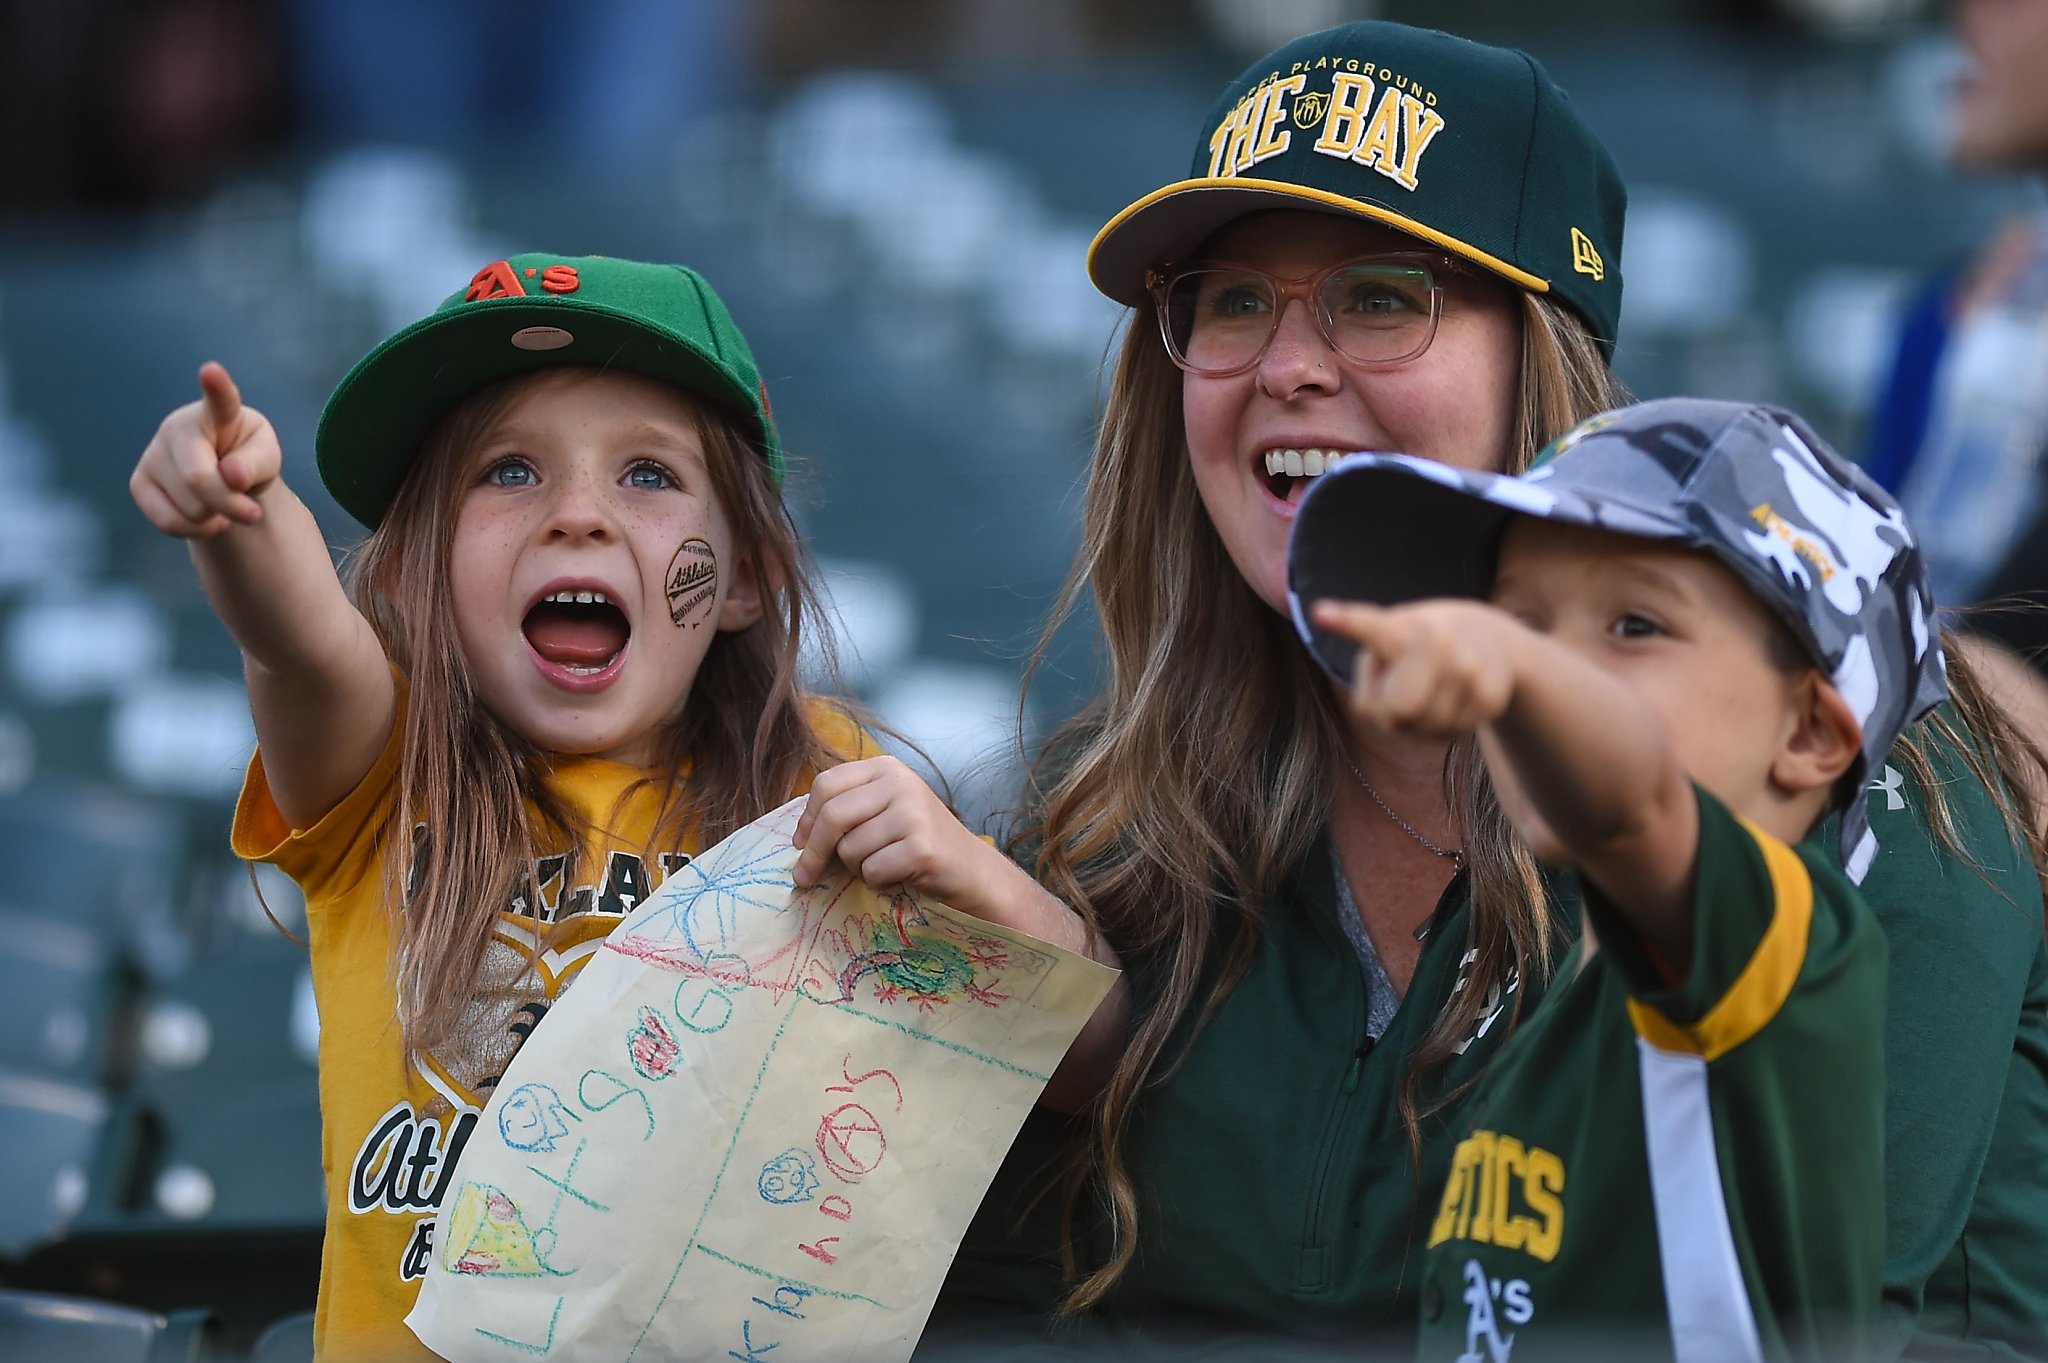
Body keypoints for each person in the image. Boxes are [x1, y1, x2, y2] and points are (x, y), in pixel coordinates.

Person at [925, 19, 2048, 1361]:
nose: (1289, 363)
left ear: (1543, 353)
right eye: (1228, 302)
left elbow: (1753, 1316)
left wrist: (1123, 1078)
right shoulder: (1113, 813)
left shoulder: (1839, 764)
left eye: (1383, 293)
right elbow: (995, 1305)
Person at [130, 253, 1124, 1361]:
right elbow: (300, 641)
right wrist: (239, 514)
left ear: (742, 576)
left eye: (647, 476)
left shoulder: (825, 778)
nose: (578, 518)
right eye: (506, 473)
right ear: (414, 570)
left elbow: (1092, 1063)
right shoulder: (384, 766)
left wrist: (979, 881)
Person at [1296, 397, 1942, 1359]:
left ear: (1809, 732)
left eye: (1633, 624)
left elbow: (1634, 796)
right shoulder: (1560, 1018)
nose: (1540, 668)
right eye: (1519, 618)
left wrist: (1511, 658)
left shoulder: (1782, 954)